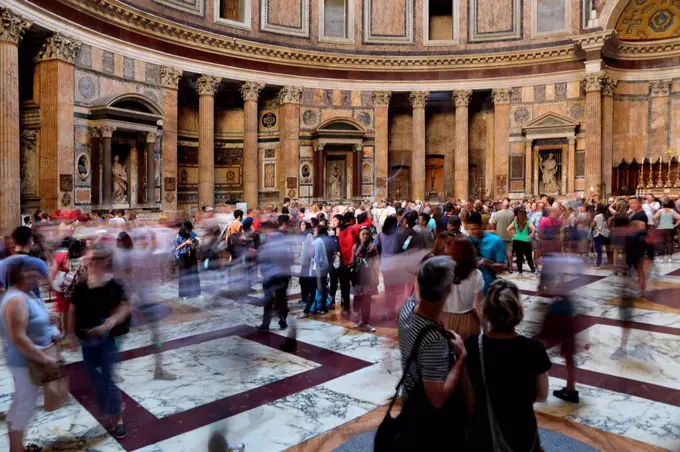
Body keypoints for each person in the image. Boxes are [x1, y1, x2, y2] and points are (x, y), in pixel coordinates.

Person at [465, 279, 550, 451]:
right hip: (521, 430)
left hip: (484, 431)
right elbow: (542, 394)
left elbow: (470, 399)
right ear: (518, 311)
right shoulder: (534, 349)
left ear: (487, 311)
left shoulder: (473, 346)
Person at [396, 256, 469, 450]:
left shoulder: (406, 310)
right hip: (430, 421)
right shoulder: (434, 339)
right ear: (447, 290)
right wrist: (461, 359)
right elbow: (437, 398)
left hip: (409, 402)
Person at [66, 246, 131, 439]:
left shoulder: (113, 285)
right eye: (90, 260)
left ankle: (117, 419)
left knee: (108, 379)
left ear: (105, 262)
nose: (92, 264)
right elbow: (72, 308)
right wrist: (70, 333)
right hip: (86, 339)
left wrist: (109, 324)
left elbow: (125, 308)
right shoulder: (82, 285)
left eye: (97, 260)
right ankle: (110, 406)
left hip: (108, 339)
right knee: (94, 378)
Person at [1, 259, 60, 452]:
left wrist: (47, 318)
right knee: (24, 406)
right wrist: (45, 359)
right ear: (17, 274)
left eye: (36, 270)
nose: (33, 274)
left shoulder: (26, 294)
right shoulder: (17, 299)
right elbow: (19, 338)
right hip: (25, 362)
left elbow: (30, 322)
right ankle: (16, 449)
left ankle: (17, 447)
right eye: (27, 271)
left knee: (21, 403)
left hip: (27, 360)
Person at [441, 238, 483, 339]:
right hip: (468, 321)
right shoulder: (476, 274)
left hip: (444, 321)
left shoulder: (441, 272)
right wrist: (484, 326)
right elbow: (478, 305)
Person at [466, 211, 507, 293]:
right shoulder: (465, 241)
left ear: (481, 226)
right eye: (468, 229)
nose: (472, 232)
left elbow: (503, 267)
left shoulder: (495, 241)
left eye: (475, 229)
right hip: (467, 289)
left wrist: (488, 263)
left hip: (487, 288)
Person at [350, 226, 378, 332]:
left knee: (366, 300)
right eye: (363, 234)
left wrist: (375, 276)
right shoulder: (355, 246)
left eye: (367, 234)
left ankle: (366, 322)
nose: (365, 236)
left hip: (368, 276)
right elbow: (352, 261)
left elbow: (376, 262)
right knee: (357, 298)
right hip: (357, 276)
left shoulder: (372, 247)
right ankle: (359, 320)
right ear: (359, 235)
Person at [173, 221, 201, 299]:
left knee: (194, 274)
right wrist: (186, 243)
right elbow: (176, 248)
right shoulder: (179, 236)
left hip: (192, 255)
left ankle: (195, 292)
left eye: (190, 230)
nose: (189, 231)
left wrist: (197, 243)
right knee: (184, 275)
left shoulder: (193, 234)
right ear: (183, 229)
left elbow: (198, 244)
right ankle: (184, 294)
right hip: (183, 257)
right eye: (187, 230)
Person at [507, 208, 536, 276]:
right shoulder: (527, 221)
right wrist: (531, 235)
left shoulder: (515, 222)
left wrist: (512, 235)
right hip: (525, 240)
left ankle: (520, 272)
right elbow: (534, 229)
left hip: (516, 240)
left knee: (519, 256)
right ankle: (532, 269)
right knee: (528, 256)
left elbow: (508, 229)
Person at [489, 200, 515, 273]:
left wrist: (494, 229)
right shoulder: (511, 214)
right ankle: (511, 267)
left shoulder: (497, 214)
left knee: (499, 251)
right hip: (508, 236)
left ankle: (499, 267)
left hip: (498, 236)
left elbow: (493, 224)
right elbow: (512, 225)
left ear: (502, 205)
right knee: (509, 252)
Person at [654, 198, 680, 263]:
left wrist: (656, 224)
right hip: (670, 228)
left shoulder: (660, 211)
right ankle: (670, 258)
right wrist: (675, 225)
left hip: (661, 228)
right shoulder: (672, 211)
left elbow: (654, 218)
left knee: (661, 243)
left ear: (663, 204)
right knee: (669, 243)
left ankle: (661, 258)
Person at [592, 203, 612, 268]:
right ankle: (610, 261)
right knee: (607, 249)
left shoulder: (597, 216)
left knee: (598, 250)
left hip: (599, 234)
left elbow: (592, 225)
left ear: (598, 208)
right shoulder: (605, 215)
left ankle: (598, 263)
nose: (594, 208)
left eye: (596, 207)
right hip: (606, 234)